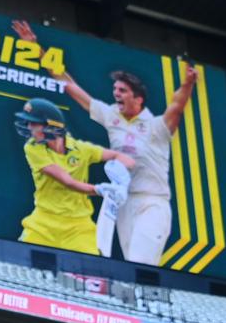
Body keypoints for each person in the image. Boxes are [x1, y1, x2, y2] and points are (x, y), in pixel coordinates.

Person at [12, 20, 199, 266]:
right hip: (121, 201)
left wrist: (187, 85)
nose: (116, 94)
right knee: (129, 266)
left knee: (141, 263)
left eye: (122, 90)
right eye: (115, 89)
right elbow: (69, 85)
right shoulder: (111, 116)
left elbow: (176, 107)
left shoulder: (156, 127)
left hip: (151, 199)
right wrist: (37, 50)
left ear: (138, 98)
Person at [15, 96, 136, 255]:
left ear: (51, 126)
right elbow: (67, 181)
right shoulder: (32, 148)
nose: (29, 127)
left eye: (34, 123)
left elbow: (125, 159)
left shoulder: (82, 150)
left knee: (93, 274)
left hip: (78, 228)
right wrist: (101, 190)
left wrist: (122, 181)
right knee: (16, 262)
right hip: (43, 223)